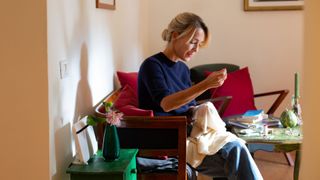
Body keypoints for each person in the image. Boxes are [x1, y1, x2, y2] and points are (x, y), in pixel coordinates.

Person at [138, 12, 263, 180]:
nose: (196, 49)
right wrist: (205, 84)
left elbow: (188, 105)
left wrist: (201, 110)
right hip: (172, 137)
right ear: (175, 36)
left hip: (190, 131)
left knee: (236, 147)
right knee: (235, 153)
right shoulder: (152, 65)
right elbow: (167, 104)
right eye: (193, 42)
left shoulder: (182, 69)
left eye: (199, 44)